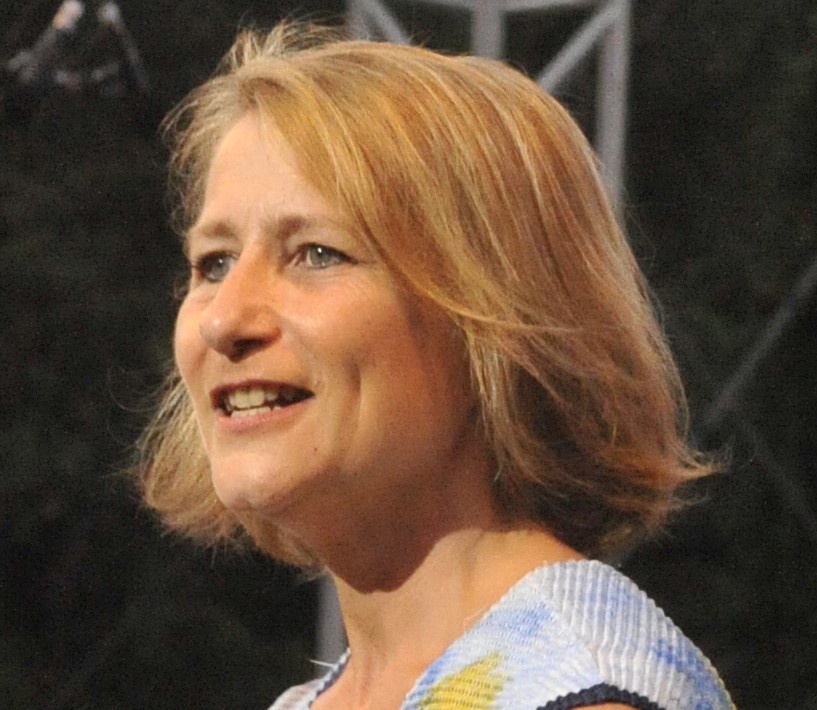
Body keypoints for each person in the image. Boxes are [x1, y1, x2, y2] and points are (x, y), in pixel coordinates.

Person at [137, 22, 734, 710]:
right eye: (213, 263)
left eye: (317, 254)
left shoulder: (588, 697)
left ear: (496, 313)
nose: (222, 320)